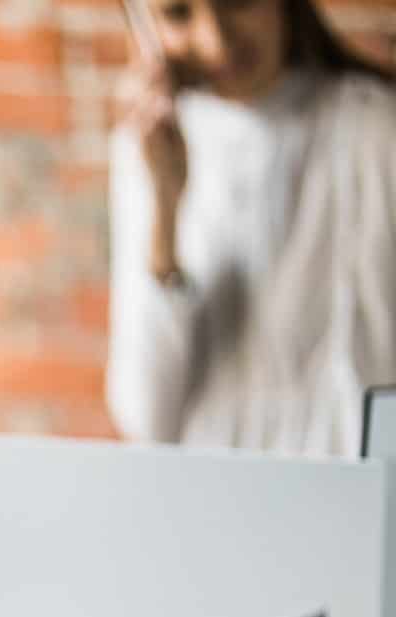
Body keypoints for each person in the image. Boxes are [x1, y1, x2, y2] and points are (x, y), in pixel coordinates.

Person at [108, 0, 396, 455]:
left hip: (356, 496)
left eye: (238, 1)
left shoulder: (377, 131)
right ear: (143, 26)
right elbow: (145, 417)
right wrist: (165, 211)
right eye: (178, 14)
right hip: (213, 496)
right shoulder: (149, 147)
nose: (216, 40)